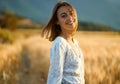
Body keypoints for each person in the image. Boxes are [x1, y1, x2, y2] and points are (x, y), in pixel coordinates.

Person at [41, 1, 85, 84]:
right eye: (64, 16)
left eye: (71, 13)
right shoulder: (60, 43)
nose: (70, 18)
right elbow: (54, 77)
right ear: (57, 21)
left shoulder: (75, 42)